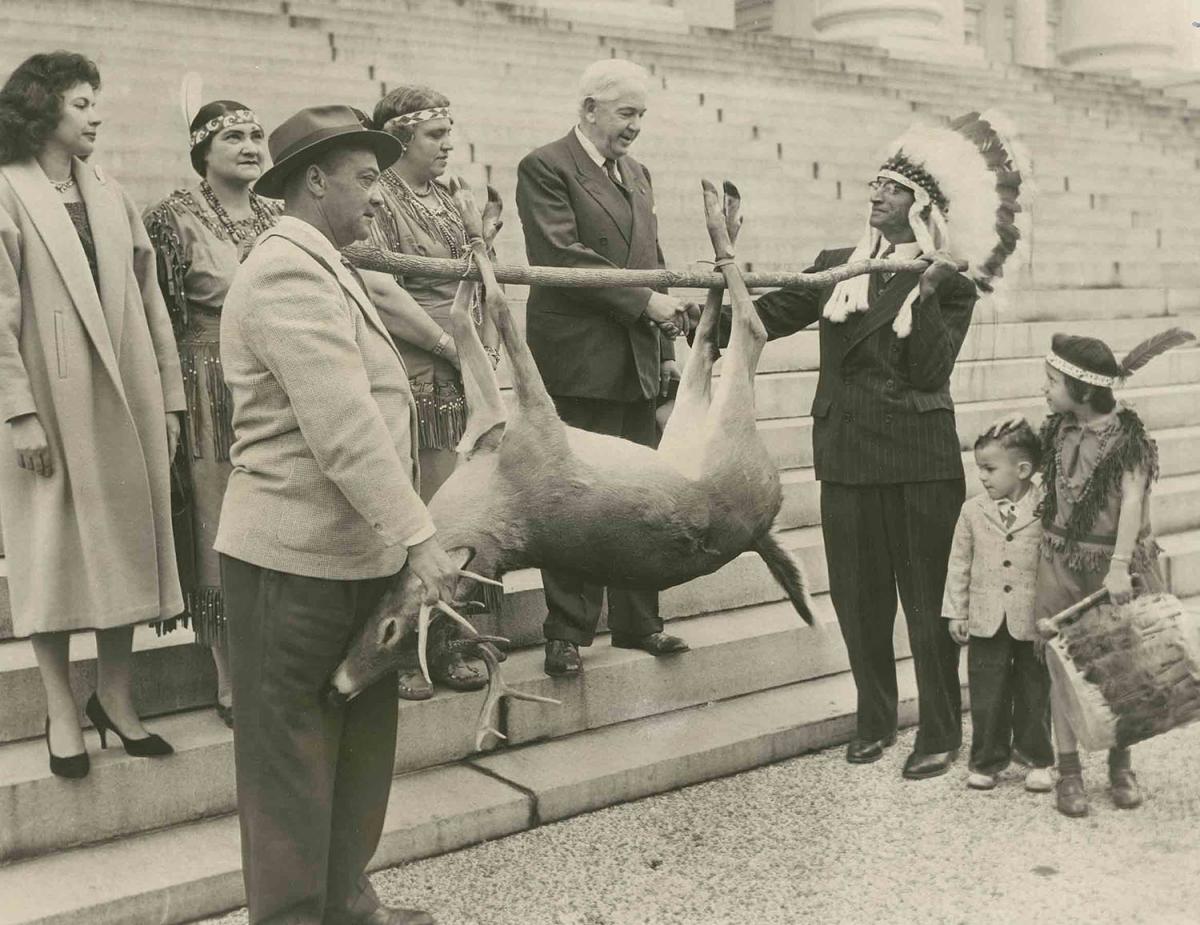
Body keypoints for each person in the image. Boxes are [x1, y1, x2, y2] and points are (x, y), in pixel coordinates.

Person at [706, 115, 1027, 779]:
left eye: (894, 187)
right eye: (876, 183)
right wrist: (710, 293)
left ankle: (938, 729)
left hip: (916, 461)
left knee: (926, 603)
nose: (877, 193)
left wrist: (934, 293)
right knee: (858, 600)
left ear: (922, 206)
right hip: (849, 454)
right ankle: (875, 717)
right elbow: (764, 316)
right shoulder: (834, 267)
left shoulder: (949, 279)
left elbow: (927, 374)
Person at [217, 105, 454, 925]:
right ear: (313, 182)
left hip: (352, 558)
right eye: (363, 179)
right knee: (292, 768)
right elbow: (343, 427)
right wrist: (421, 535)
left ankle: (347, 906)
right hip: (292, 563)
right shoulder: (285, 269)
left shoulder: (328, 261)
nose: (377, 197)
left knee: (356, 758)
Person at [0, 52, 184, 780]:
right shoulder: (7, 194)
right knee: (50, 554)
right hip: (50, 402)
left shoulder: (109, 191)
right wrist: (18, 412)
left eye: (96, 102)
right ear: (43, 110)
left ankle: (115, 697)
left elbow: (152, 304)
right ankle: (57, 707)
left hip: (127, 400)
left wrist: (167, 398)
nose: (96, 116)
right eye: (82, 103)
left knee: (124, 548)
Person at [516, 57, 691, 678]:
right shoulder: (545, 166)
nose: (635, 126)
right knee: (573, 499)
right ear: (589, 108)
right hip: (578, 363)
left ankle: (641, 623)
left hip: (637, 363)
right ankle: (566, 631)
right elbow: (561, 254)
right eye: (626, 113)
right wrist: (647, 302)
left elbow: (655, 260)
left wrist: (667, 351)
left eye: (641, 114)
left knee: (640, 496)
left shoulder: (639, 174)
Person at [997, 329, 1192, 818]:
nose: (1044, 388)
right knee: (1063, 666)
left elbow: (1131, 503)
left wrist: (1121, 567)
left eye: (1052, 381)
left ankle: (1120, 764)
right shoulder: (1058, 429)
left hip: (1114, 567)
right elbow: (1035, 459)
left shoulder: (1129, 439)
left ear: (1082, 391)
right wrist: (1013, 431)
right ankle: (1069, 772)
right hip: (1060, 562)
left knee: (1121, 664)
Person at [144, 99, 281, 727]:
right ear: (203, 150)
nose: (251, 145)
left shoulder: (280, 215)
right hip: (211, 389)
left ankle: (283, 660)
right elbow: (163, 324)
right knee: (221, 526)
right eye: (234, 137)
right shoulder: (171, 220)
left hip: (282, 382)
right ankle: (232, 676)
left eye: (256, 135)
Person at [365, 84, 497, 700]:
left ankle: (448, 639)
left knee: (463, 512)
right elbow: (383, 293)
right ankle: (404, 653)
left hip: (465, 363)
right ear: (400, 138)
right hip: (414, 365)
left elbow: (482, 275)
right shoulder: (378, 198)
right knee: (420, 510)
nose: (448, 145)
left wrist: (480, 344)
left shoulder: (449, 199)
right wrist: (449, 344)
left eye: (449, 132)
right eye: (434, 135)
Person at [943, 423, 1052, 793]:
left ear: (1021, 470)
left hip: (1031, 620)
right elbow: (959, 563)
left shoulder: (1047, 508)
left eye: (990, 469)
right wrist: (957, 612)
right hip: (986, 618)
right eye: (980, 468)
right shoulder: (972, 511)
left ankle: (1037, 758)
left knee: (1035, 690)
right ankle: (987, 760)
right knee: (987, 693)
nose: (982, 476)